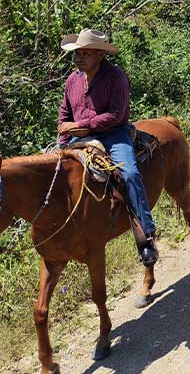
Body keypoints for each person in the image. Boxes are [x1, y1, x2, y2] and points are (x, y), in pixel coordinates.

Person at [57, 30, 158, 266]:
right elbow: (64, 113)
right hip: (78, 137)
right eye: (77, 53)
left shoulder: (116, 77)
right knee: (52, 174)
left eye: (85, 53)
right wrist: (63, 138)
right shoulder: (72, 80)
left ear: (100, 55)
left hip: (114, 134)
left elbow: (116, 115)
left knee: (130, 174)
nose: (79, 58)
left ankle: (146, 236)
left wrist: (81, 125)